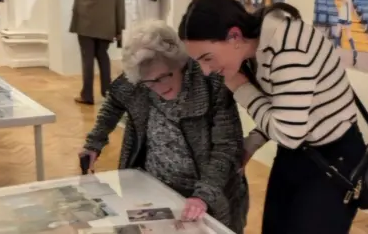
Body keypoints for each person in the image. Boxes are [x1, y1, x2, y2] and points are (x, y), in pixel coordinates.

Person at [178, 0, 367, 234]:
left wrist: (240, 87)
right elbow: (284, 108)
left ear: (234, 35)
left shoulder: (288, 48)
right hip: (299, 153)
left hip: (333, 159)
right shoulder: (259, 47)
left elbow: (288, 133)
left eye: (207, 58)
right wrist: (253, 142)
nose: (206, 70)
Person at [80, 20, 249, 233]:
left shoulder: (211, 82)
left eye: (162, 77)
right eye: (148, 83)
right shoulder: (141, 76)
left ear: (179, 63)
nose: (157, 88)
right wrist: (94, 142)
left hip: (207, 194)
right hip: (153, 190)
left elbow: (227, 148)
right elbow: (114, 101)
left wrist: (202, 195)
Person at [55, 0, 125, 105]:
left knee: (88, 58)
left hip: (86, 22)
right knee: (103, 56)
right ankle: (108, 93)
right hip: (107, 24)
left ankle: (87, 95)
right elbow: (120, 3)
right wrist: (119, 28)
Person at [335, 0, 358, 66]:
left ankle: (333, 54)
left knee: (337, 33)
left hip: (344, 16)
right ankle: (354, 51)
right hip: (345, 15)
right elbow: (349, 2)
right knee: (348, 35)